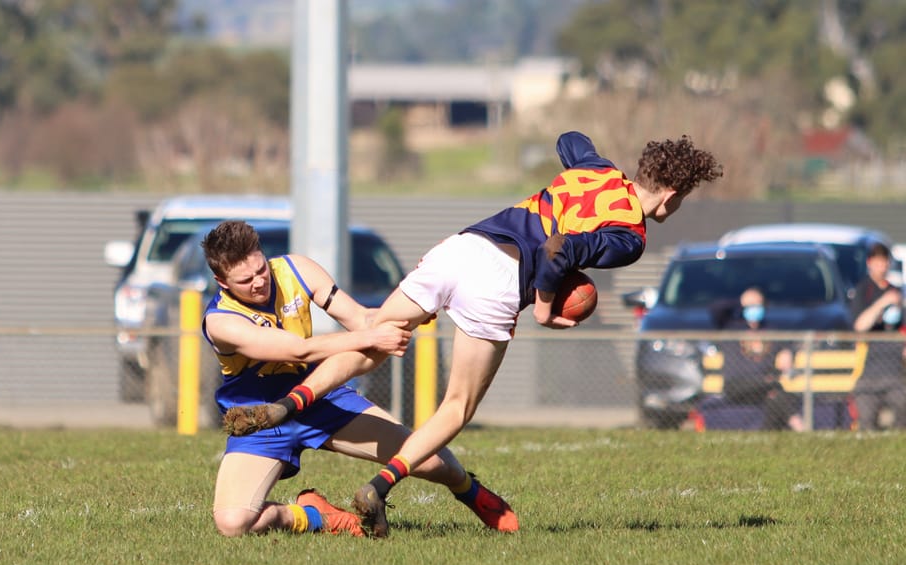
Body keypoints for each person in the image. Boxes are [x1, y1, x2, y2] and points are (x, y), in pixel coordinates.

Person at [224, 130, 723, 537]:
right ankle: (379, 486)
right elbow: (558, 253)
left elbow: (571, 138)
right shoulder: (629, 238)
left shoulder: (597, 170)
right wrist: (547, 309)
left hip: (464, 246)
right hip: (501, 279)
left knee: (373, 338)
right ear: (673, 194)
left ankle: (285, 406)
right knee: (457, 406)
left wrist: (586, 168)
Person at [202, 220, 518, 537]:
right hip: (262, 416)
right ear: (222, 281)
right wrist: (375, 337)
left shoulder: (296, 269)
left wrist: (410, 314)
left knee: (433, 462)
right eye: (246, 280)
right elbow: (299, 350)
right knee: (233, 524)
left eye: (261, 270)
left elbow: (360, 318)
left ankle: (471, 492)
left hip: (321, 397)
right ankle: (314, 516)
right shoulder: (220, 321)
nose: (259, 282)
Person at [712, 287, 804, 431]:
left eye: (757, 304)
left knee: (775, 397)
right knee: (775, 388)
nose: (754, 308)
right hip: (737, 385)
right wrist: (739, 301)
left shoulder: (771, 330)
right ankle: (800, 427)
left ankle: (767, 431)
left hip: (763, 386)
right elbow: (716, 309)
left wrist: (788, 351)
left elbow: (789, 345)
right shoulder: (731, 328)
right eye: (750, 305)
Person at [849, 242, 906, 430]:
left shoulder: (897, 292)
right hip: (869, 372)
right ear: (869, 263)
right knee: (866, 418)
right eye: (878, 262)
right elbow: (859, 327)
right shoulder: (864, 290)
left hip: (895, 372)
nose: (882, 267)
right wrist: (882, 303)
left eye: (885, 262)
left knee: (902, 408)